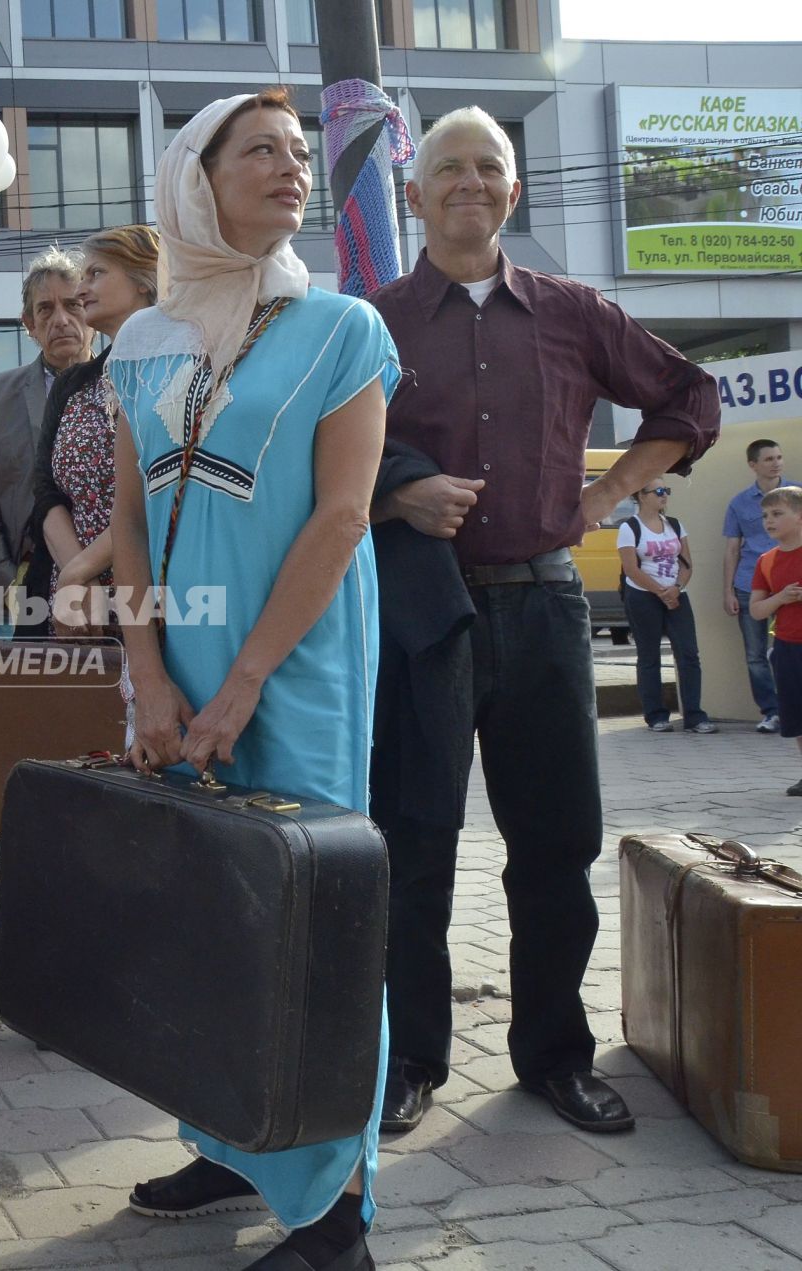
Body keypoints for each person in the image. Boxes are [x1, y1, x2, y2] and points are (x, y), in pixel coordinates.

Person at [369, 107, 718, 1136]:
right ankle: (411, 1059)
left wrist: (610, 495)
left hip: (543, 598)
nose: (468, 182)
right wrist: (400, 494)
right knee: (413, 841)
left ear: (512, 193)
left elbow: (689, 400)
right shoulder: (371, 320)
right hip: (418, 609)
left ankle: (554, 1055)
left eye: (489, 167)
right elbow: (319, 453)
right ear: (414, 192)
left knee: (556, 845)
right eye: (448, 168)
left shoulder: (574, 311)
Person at [109, 89, 396, 1271]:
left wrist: (242, 689)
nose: (290, 169)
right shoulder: (142, 340)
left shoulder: (341, 329)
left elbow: (341, 516)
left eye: (297, 153)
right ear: (198, 178)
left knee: (310, 920)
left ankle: (334, 1212)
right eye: (259, 152)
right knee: (206, 915)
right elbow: (126, 519)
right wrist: (151, 678)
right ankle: (228, 1136)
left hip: (303, 663)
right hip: (179, 661)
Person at [31, 224, 162, 634]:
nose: (82, 289)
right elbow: (45, 489)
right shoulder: (73, 383)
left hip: (159, 595)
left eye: (96, 274)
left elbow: (158, 489)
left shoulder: (179, 371)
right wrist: (76, 575)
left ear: (144, 281)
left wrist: (82, 568)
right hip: (78, 608)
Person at [0, 249, 93, 634]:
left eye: (72, 305)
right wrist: (8, 586)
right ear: (29, 324)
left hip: (116, 575)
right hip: (30, 581)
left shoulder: (126, 385)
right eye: (46, 310)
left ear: (91, 312)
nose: (61, 320)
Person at [619, 483, 711, 734]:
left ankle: (694, 715)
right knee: (649, 656)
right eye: (658, 491)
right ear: (640, 496)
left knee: (689, 653)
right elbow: (631, 569)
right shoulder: (630, 527)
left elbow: (687, 564)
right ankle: (656, 716)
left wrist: (676, 588)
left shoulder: (675, 524)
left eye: (666, 490)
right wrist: (660, 592)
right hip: (643, 596)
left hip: (676, 595)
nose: (664, 496)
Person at [723, 439, 784, 732]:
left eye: (779, 457)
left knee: (791, 650)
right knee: (755, 654)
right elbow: (732, 548)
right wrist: (727, 591)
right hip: (750, 584)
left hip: (790, 583)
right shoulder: (739, 502)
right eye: (769, 458)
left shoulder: (795, 495)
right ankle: (772, 712)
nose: (776, 463)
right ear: (753, 465)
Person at [749, 486, 802, 791]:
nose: (769, 520)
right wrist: (781, 598)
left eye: (777, 514)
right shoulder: (766, 561)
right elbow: (756, 610)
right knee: (796, 714)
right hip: (787, 647)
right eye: (765, 515)